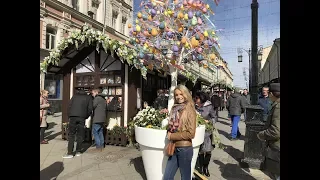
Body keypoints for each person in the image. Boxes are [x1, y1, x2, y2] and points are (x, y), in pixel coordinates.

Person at [164, 84, 196, 180]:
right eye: (176, 95)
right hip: (174, 147)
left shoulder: (189, 109)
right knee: (167, 177)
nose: (178, 97)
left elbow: (191, 133)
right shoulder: (175, 109)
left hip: (184, 149)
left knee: (185, 177)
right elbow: (173, 128)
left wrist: (172, 136)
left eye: (181, 94)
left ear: (186, 94)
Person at [257, 83, 280, 180]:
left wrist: (261, 134)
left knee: (276, 173)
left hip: (277, 146)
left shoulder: (278, 107)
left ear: (272, 94)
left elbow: (276, 131)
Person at [63, 88, 93, 159]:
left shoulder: (74, 96)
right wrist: (85, 116)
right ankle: (78, 151)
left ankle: (70, 153)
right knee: (80, 134)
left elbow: (69, 106)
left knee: (72, 134)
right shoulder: (88, 98)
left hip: (73, 117)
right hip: (81, 117)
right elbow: (90, 109)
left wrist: (69, 115)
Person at [195, 91, 216, 177]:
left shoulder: (209, 106)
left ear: (202, 98)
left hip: (207, 132)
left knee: (207, 151)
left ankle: (205, 167)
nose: (195, 100)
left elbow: (214, 117)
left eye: (197, 98)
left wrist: (209, 121)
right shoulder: (194, 106)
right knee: (200, 151)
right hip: (198, 131)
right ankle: (200, 167)